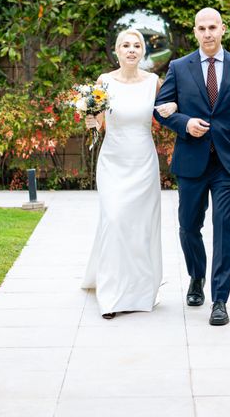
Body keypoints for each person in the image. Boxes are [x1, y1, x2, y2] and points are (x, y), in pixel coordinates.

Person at [154, 8, 230, 326]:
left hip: (228, 163)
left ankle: (220, 300)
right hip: (191, 161)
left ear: (223, 29)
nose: (208, 33)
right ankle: (196, 277)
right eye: (202, 28)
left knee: (225, 229)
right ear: (195, 32)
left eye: (213, 27)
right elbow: (160, 110)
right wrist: (184, 123)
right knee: (188, 227)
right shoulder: (179, 67)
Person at [81, 29, 177, 319]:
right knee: (114, 220)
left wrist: (174, 107)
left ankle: (140, 290)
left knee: (140, 227)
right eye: (126, 45)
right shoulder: (104, 82)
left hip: (143, 163)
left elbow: (168, 111)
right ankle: (110, 296)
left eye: (137, 45)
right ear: (117, 50)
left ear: (143, 51)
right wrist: (89, 119)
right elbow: (98, 123)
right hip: (113, 161)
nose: (132, 50)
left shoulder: (154, 83)